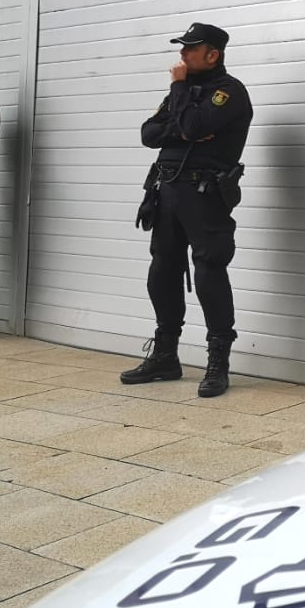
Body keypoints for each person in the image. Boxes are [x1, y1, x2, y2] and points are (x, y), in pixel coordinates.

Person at [122, 22, 253, 398]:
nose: (182, 55)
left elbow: (193, 127)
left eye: (190, 49)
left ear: (212, 54)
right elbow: (149, 133)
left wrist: (182, 111)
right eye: (182, 48)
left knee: (209, 271)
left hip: (204, 194)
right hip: (166, 192)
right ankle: (165, 355)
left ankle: (218, 364)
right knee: (162, 271)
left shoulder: (228, 92)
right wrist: (183, 123)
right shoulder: (184, 92)